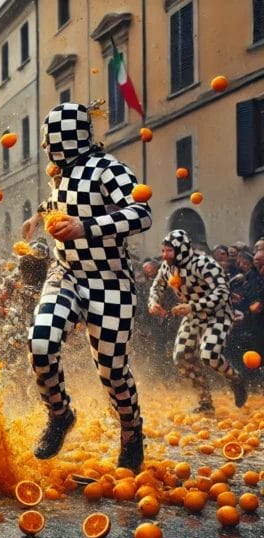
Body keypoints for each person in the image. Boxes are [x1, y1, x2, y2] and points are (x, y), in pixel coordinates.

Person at [20, 102, 152, 472]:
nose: (49, 149)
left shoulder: (110, 169)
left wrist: (85, 228)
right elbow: (60, 202)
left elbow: (142, 213)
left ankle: (131, 430)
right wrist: (36, 217)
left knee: (112, 370)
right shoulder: (60, 175)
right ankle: (60, 414)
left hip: (111, 282)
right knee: (40, 342)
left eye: (52, 142)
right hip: (66, 275)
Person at [149, 230, 247, 413]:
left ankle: (235, 378)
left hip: (218, 314)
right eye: (163, 250)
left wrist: (193, 306)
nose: (164, 255)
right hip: (193, 317)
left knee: (208, 355)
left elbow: (222, 292)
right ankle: (205, 402)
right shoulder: (166, 267)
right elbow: (157, 285)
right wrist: (153, 302)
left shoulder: (204, 263)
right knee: (181, 357)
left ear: (181, 249)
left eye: (169, 250)